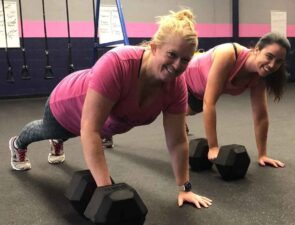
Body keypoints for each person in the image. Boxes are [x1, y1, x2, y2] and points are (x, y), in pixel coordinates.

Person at [9, 9, 212, 209]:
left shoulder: (175, 86)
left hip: (97, 121)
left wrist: (185, 188)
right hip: (67, 103)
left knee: (76, 132)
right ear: (154, 47)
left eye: (185, 59)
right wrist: (107, 191)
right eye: (172, 54)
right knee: (48, 130)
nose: (177, 65)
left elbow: (177, 141)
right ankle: (18, 143)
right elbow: (90, 130)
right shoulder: (119, 63)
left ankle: (59, 139)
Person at [184, 32, 291, 168]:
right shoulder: (228, 54)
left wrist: (262, 154)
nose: (271, 65)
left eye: (278, 61)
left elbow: (261, 116)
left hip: (198, 92)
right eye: (269, 56)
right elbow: (209, 103)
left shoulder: (259, 76)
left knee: (190, 110)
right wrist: (213, 147)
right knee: (154, 108)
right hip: (181, 76)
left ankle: (180, 116)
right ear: (257, 50)